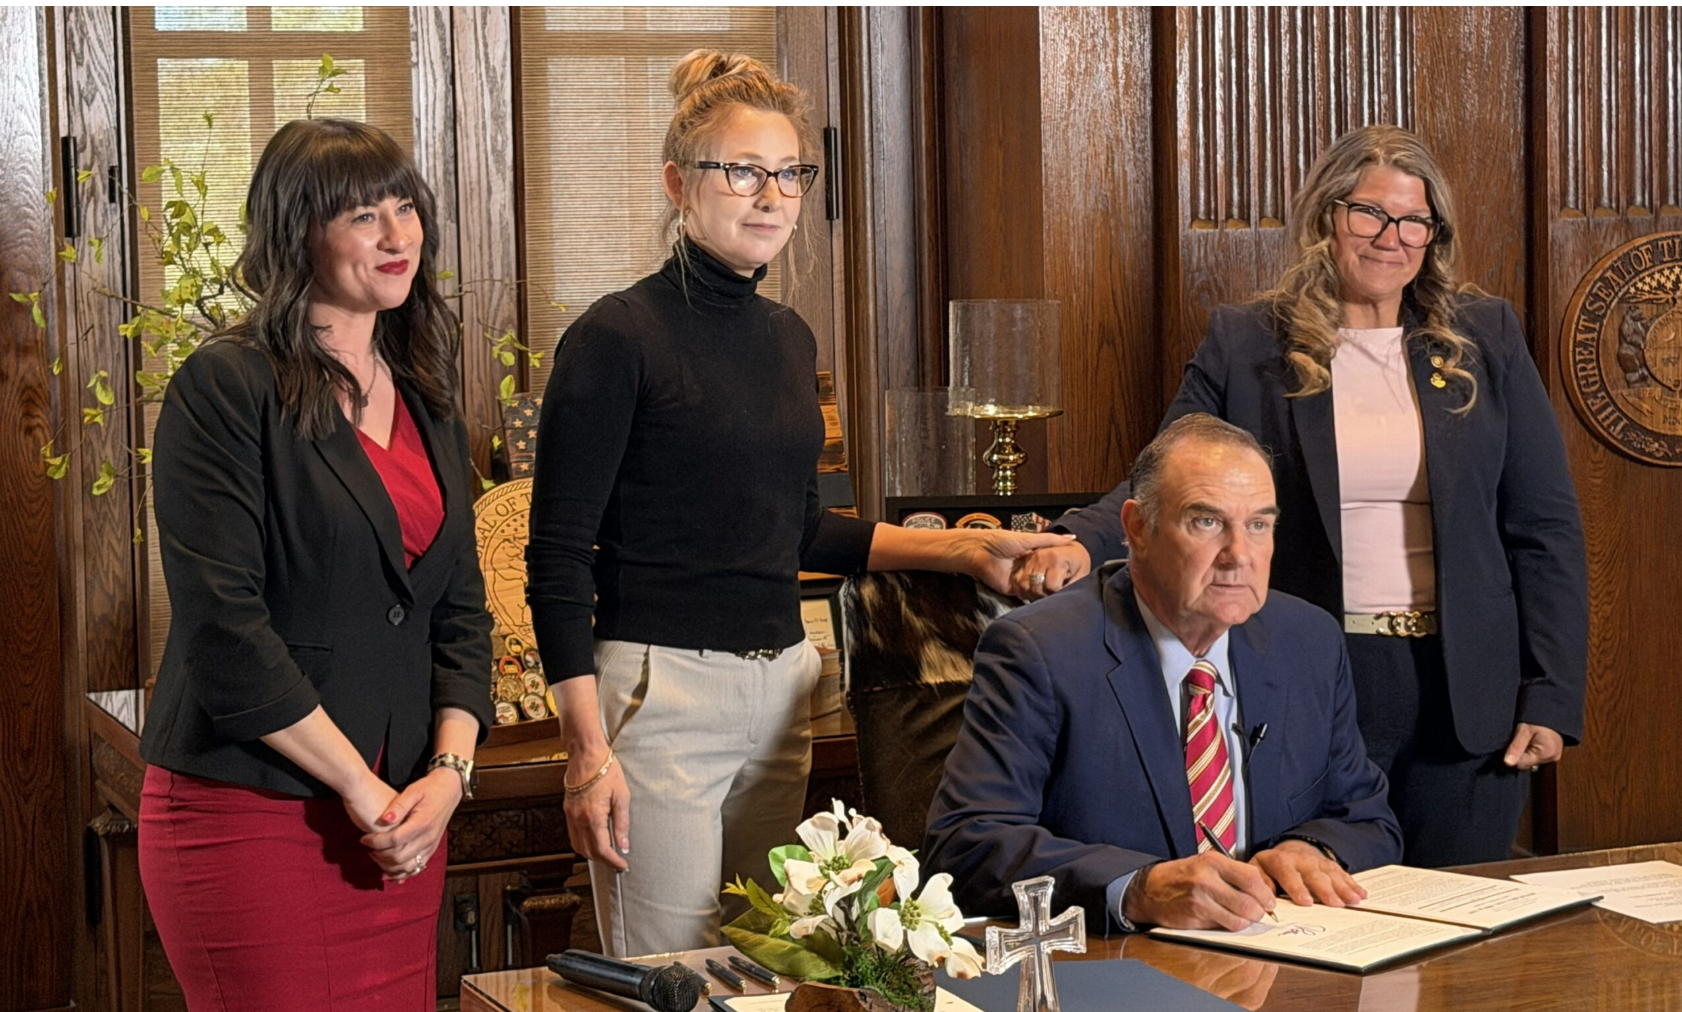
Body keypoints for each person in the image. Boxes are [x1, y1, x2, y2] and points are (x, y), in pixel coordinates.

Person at [525, 50, 1073, 959]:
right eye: (741, 171)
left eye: (789, 173)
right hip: (660, 695)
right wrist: (587, 750)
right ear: (679, 182)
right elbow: (555, 556)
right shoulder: (615, 336)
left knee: (769, 967)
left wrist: (966, 555)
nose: (770, 195)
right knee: (673, 978)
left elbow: (801, 527)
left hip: (783, 688)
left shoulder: (788, 337)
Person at [1011, 125, 1587, 867]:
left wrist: (1551, 692)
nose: (1393, 237)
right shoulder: (1248, 343)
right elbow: (1166, 473)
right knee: (1318, 914)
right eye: (1370, 213)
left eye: (1415, 220)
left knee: (1461, 933)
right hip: (1318, 665)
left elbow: (1546, 526)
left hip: (1467, 684)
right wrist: (1081, 541)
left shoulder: (1485, 336)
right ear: (1326, 217)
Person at [138, 119, 493, 1010]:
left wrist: (447, 779)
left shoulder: (428, 395)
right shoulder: (226, 385)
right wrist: (362, 789)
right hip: (254, 815)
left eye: (405, 206)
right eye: (362, 214)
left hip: (404, 823)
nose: (397, 234)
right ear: (296, 232)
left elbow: (459, 613)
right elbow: (225, 627)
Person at [924, 414, 1403, 932]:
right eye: (1207, 521)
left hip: (1285, 964)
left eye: (1259, 525)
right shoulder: (1041, 651)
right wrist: (1135, 889)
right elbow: (964, 846)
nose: (1238, 555)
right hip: (1121, 976)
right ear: (1136, 528)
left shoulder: (1307, 640)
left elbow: (1369, 819)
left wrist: (1311, 847)